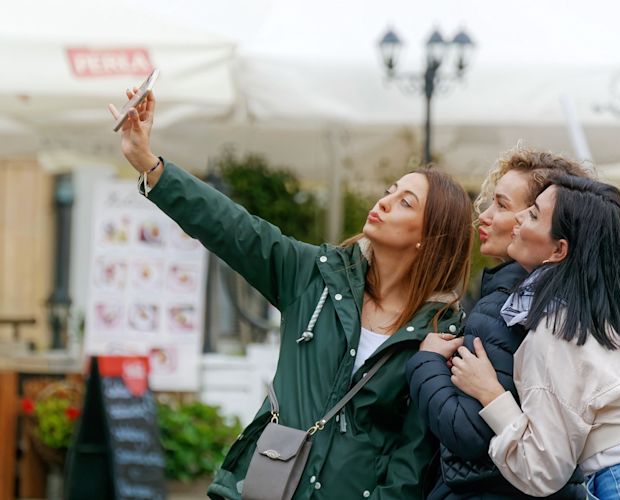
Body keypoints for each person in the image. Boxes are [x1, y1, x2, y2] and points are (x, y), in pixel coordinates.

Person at [109, 89, 474, 499]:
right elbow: (232, 228)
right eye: (389, 190)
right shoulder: (315, 276)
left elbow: (414, 453)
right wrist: (150, 165)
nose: (385, 202)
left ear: (429, 237)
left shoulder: (440, 333)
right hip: (268, 485)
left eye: (405, 202)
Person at [450, 175, 620, 499]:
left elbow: (542, 470)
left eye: (533, 214)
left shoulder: (557, 332)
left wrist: (491, 395)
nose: (518, 219)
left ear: (559, 249)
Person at [405, 149, 588, 500]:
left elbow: (468, 432)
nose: (484, 218)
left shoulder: (505, 306)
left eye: (503, 206)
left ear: (545, 221)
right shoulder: (567, 303)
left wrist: (425, 361)